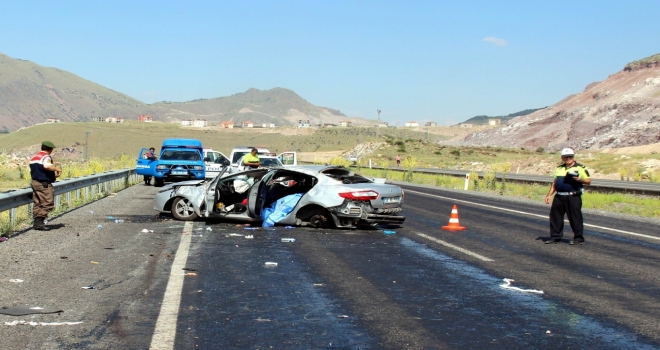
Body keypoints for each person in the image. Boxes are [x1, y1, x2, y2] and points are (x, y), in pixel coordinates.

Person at [544, 148, 591, 245]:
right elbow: (554, 183)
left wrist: (580, 179)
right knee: (555, 217)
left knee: (575, 217)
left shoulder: (580, 168)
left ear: (574, 157)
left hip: (573, 196)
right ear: (562, 157)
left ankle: (578, 238)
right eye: (566, 157)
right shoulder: (559, 168)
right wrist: (549, 195)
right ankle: (555, 237)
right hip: (559, 196)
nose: (568, 158)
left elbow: (588, 181)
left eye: (570, 156)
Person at [29, 141, 62, 231]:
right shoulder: (46, 157)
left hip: (35, 182)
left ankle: (37, 223)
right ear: (50, 149)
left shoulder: (35, 157)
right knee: (48, 203)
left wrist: (51, 176)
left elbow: (39, 171)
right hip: (44, 185)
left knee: (38, 203)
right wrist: (57, 169)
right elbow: (47, 166)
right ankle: (39, 222)